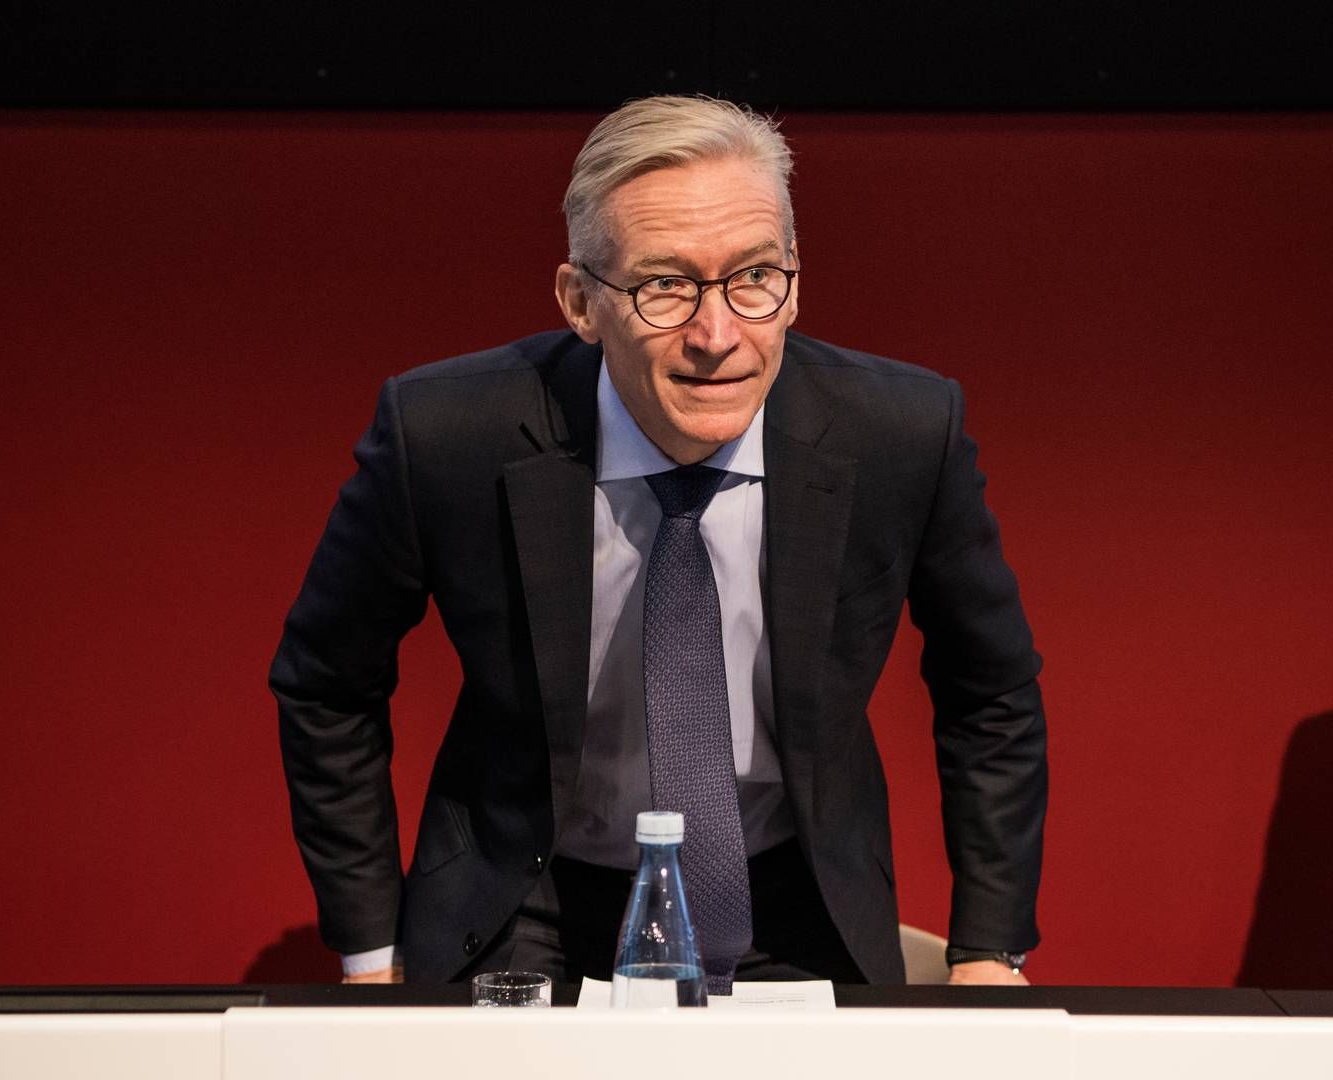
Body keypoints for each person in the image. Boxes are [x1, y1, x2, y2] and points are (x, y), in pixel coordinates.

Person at [271, 95, 1047, 989]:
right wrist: (372, 951)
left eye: (754, 276)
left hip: (790, 898)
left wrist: (990, 951)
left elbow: (990, 690)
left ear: (796, 277)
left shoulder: (902, 431)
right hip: (527, 899)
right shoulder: (446, 433)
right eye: (664, 286)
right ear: (580, 302)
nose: (718, 336)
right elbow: (327, 681)